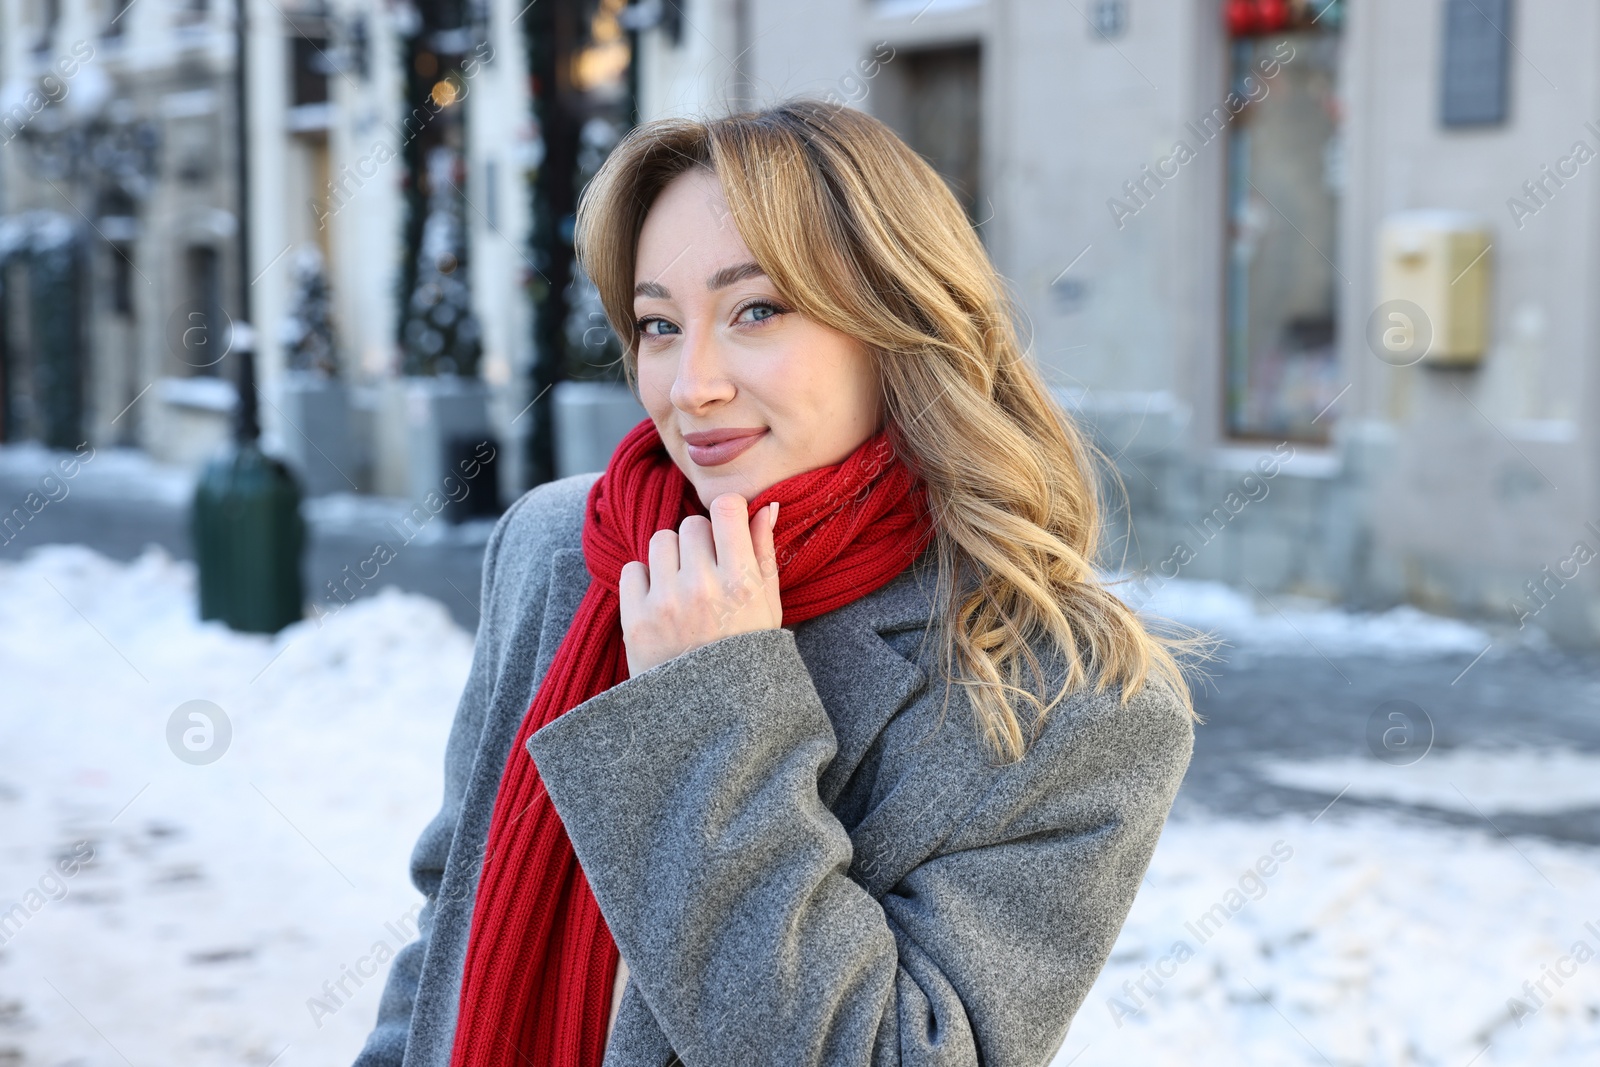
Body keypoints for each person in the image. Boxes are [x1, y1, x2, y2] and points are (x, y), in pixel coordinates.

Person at [353, 99, 1197, 1067]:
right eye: (658, 324)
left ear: (896, 320)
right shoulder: (560, 551)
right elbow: (449, 920)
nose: (689, 383)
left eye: (755, 310)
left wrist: (708, 707)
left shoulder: (1068, 695)